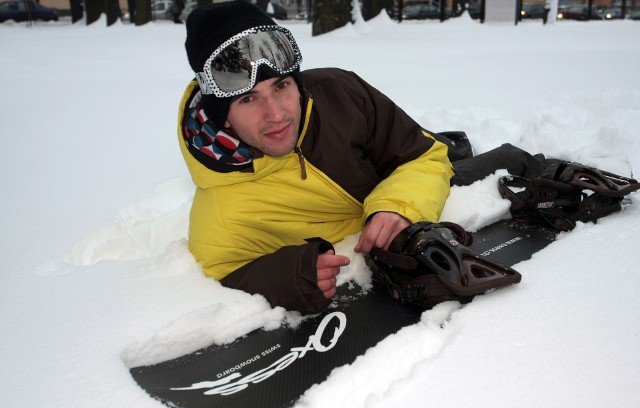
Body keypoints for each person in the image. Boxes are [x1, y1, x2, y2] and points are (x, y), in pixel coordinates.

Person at [177, 1, 564, 314]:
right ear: (220, 114)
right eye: (249, 99)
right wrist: (290, 277)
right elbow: (224, 269)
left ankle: (463, 145)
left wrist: (396, 207)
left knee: (494, 160)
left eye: (282, 86)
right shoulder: (220, 213)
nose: (277, 114)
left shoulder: (339, 93)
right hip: (374, 192)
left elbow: (423, 157)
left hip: (395, 180)